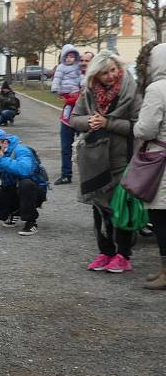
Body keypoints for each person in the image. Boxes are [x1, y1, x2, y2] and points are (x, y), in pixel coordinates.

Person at [70, 51, 140, 273]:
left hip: (122, 158)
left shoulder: (131, 89)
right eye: (104, 73)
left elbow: (137, 126)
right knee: (99, 207)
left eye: (113, 70)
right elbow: (73, 119)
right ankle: (105, 251)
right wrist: (89, 121)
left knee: (120, 207)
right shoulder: (88, 91)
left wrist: (108, 123)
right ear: (95, 75)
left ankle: (123, 254)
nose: (110, 75)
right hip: (94, 158)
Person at [0, 128, 48, 236]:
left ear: (5, 143)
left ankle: (31, 223)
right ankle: (12, 213)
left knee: (26, 183)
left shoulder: (21, 150)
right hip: (11, 191)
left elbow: (24, 170)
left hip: (34, 192)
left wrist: (1, 160)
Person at [133, 42, 166, 289]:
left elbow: (146, 128)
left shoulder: (157, 89)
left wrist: (135, 128)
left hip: (160, 158)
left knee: (161, 215)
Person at [51, 45, 84, 185]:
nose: (84, 63)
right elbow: (57, 79)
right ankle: (66, 174)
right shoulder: (61, 68)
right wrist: (58, 91)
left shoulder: (82, 73)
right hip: (68, 115)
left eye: (73, 56)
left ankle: (87, 175)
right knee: (66, 146)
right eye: (68, 56)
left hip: (82, 116)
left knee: (83, 146)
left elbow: (84, 91)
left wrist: (73, 97)